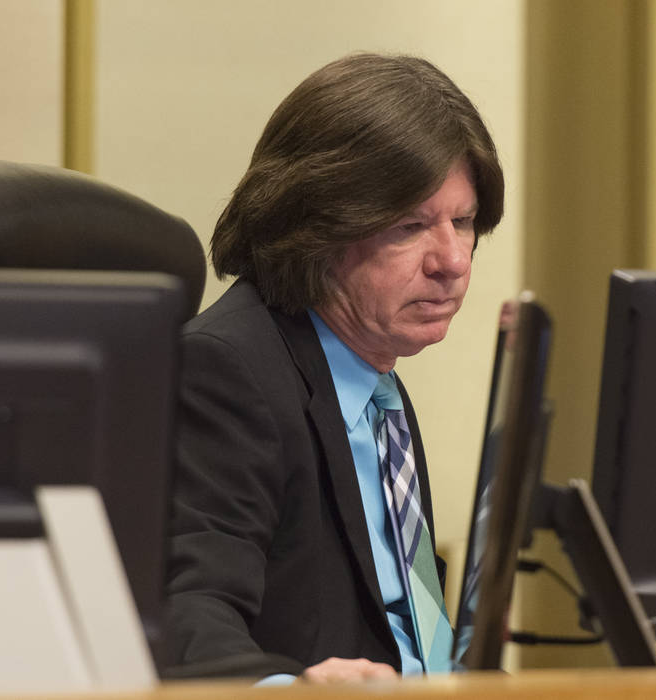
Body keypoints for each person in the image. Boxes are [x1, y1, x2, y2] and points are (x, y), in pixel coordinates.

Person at [163, 52, 504, 683]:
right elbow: (185, 615)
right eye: (412, 225)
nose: (453, 260)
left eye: (463, 222)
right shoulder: (226, 372)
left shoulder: (376, 386)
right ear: (315, 225)